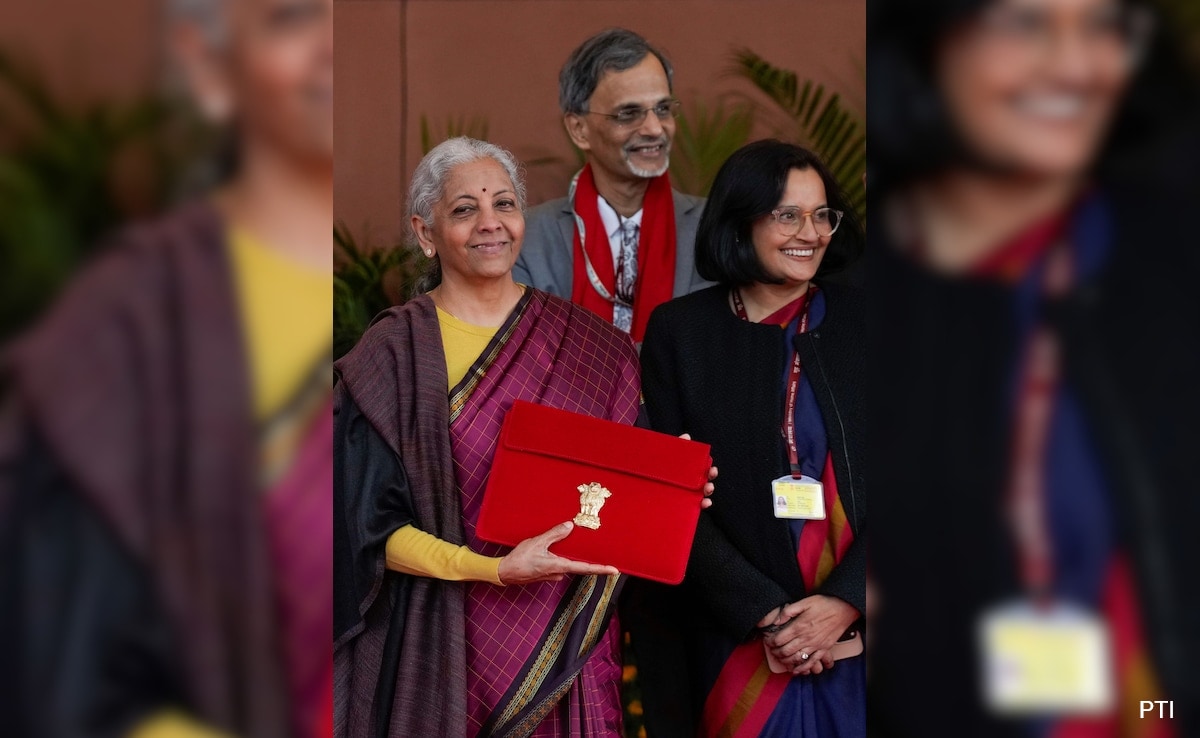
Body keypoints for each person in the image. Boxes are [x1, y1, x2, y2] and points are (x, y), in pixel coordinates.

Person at [0, 1, 334, 737]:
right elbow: (64, 663)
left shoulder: (413, 325)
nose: (336, 43)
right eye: (291, 17)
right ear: (209, 69)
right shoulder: (125, 324)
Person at [868, 0, 1200, 735]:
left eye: (1106, 25)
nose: (1078, 66)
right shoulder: (859, 301)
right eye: (1024, 24)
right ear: (927, 41)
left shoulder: (1170, 255)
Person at [333, 137, 715, 738]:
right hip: (440, 637)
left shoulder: (593, 347)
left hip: (568, 639)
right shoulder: (392, 355)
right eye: (464, 209)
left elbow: (617, 499)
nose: (490, 223)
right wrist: (489, 570)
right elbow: (363, 525)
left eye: (504, 204)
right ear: (426, 233)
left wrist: (673, 489)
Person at [634, 140, 866, 738]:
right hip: (735, 634)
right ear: (741, 221)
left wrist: (847, 598)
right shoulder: (681, 333)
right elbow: (662, 494)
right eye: (788, 215)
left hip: (860, 636)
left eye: (822, 215)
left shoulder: (874, 322)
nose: (810, 233)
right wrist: (766, 613)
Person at [512, 28, 712, 343]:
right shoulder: (528, 238)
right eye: (628, 114)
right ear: (579, 130)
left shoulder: (713, 227)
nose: (654, 128)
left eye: (662, 109)